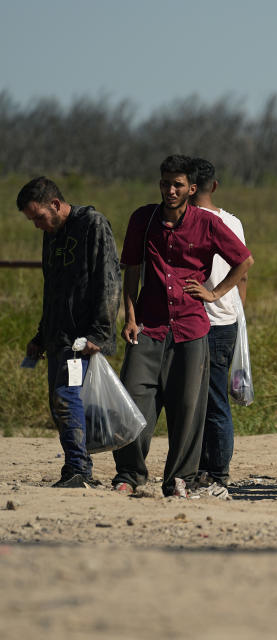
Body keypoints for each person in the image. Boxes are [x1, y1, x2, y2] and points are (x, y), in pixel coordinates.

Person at [112, 155, 253, 498]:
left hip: (192, 328)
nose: (170, 190)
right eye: (165, 183)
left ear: (192, 188)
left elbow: (244, 260)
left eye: (177, 184)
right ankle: (129, 474)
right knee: (132, 400)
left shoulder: (207, 223)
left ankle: (180, 480)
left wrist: (214, 293)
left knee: (188, 409)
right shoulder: (143, 220)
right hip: (149, 326)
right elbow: (131, 269)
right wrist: (129, 317)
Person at [18, 177, 121, 488]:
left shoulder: (92, 224)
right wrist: (40, 335)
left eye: (38, 217)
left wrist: (100, 332)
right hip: (58, 336)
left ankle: (79, 469)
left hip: (83, 338)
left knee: (67, 397)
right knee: (60, 403)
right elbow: (53, 288)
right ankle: (76, 466)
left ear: (55, 204)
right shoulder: (52, 234)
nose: (37, 225)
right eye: (31, 220)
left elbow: (109, 279)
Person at [189, 158, 248, 496]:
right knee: (214, 397)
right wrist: (238, 311)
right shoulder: (233, 221)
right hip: (226, 318)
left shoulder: (189, 220)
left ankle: (212, 469)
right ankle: (214, 468)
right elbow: (244, 273)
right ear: (215, 185)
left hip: (204, 319)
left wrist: (212, 295)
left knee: (201, 399)